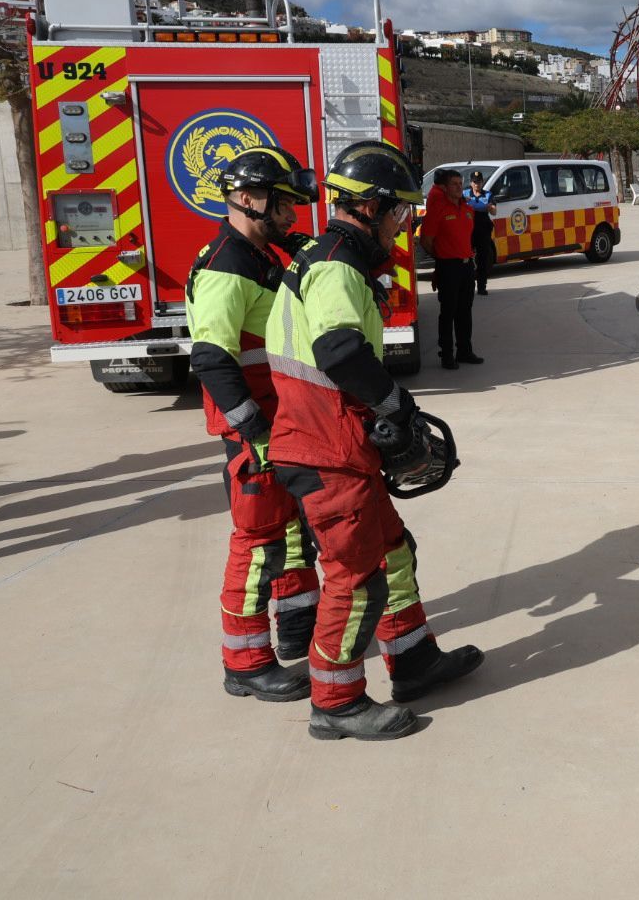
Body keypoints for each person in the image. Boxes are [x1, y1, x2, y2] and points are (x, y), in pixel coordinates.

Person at [266, 141, 483, 741]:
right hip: (324, 448)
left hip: (330, 441)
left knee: (393, 552)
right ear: (372, 208)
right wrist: (396, 406)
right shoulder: (336, 265)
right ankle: (334, 702)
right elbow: (338, 349)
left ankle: (413, 660)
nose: (406, 224)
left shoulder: (331, 255)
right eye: (400, 212)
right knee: (357, 575)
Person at [186, 147, 321, 703]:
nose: (291, 215)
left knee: (290, 530)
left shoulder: (260, 252)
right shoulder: (226, 266)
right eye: (282, 203)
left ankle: (296, 627)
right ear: (246, 199)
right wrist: (256, 432)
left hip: (278, 418)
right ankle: (244, 663)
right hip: (254, 426)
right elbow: (212, 357)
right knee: (258, 540)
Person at [419, 167, 483, 369]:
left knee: (465, 311)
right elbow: (426, 241)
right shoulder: (439, 209)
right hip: (448, 267)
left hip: (466, 267)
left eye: (460, 183)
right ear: (444, 188)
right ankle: (447, 355)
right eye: (454, 184)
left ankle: (465, 351)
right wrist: (442, 258)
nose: (458, 187)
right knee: (448, 312)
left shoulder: (467, 209)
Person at [465, 170, 496, 295]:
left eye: (479, 182)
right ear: (471, 183)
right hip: (468, 230)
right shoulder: (465, 194)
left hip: (483, 229)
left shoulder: (488, 194)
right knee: (466, 258)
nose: (477, 184)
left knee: (482, 258)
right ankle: (468, 285)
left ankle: (482, 286)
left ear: (483, 182)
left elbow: (494, 212)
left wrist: (490, 207)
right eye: (475, 182)